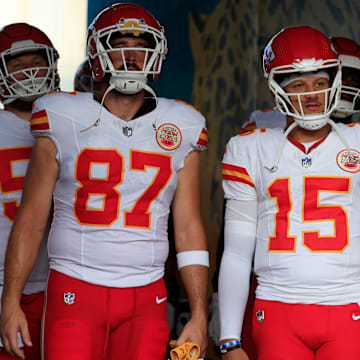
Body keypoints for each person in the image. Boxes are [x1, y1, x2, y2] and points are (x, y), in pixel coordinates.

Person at [0, 4, 209, 360]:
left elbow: (188, 226)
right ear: (98, 52)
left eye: (140, 45)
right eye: (119, 44)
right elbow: (32, 219)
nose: (130, 56)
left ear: (155, 53)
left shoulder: (184, 123)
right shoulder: (62, 114)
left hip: (147, 293)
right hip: (75, 286)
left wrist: (201, 314)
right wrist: (11, 302)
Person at [208, 34, 360, 359]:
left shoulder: (355, 141)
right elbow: (237, 250)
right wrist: (230, 339)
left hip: (349, 302)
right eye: (299, 85)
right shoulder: (250, 147)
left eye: (320, 82)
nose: (313, 95)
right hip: (278, 307)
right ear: (278, 88)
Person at [0, 23, 60, 360]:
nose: (29, 73)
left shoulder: (73, 122)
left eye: (36, 62)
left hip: (63, 284)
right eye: (18, 66)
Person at [241, 36, 360, 131]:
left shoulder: (354, 134)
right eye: (299, 85)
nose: (344, 83)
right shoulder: (262, 123)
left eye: (353, 78)